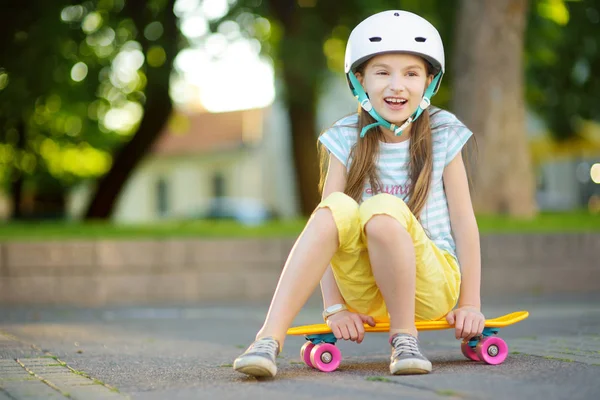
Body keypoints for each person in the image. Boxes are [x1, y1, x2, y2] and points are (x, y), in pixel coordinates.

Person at [233, 9, 484, 378]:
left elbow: (464, 221)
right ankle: (267, 340)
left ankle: (405, 339)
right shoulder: (347, 136)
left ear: (429, 81)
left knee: (383, 209)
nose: (396, 86)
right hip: (367, 292)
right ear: (360, 80)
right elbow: (327, 227)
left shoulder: (443, 131)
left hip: (431, 287)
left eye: (411, 73)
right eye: (382, 72)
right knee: (333, 207)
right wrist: (335, 307)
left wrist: (471, 303)